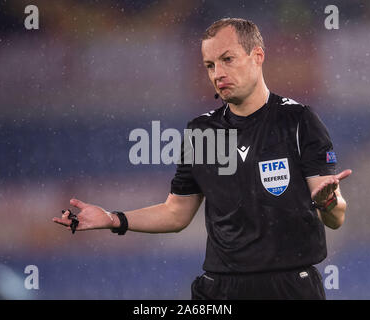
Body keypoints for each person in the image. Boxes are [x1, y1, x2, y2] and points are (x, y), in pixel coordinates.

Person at [53, 18, 352, 300]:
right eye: (209, 65)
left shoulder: (298, 121)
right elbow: (176, 213)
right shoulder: (201, 132)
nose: (217, 73)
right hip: (220, 287)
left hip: (290, 287)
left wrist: (326, 202)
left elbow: (335, 217)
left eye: (227, 59)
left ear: (257, 56)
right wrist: (112, 219)